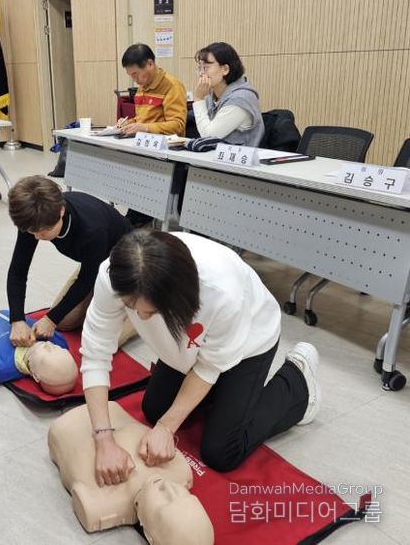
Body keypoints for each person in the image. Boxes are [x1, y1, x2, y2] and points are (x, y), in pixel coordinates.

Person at [80, 229, 321, 482]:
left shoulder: (222, 293)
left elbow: (208, 366)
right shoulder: (115, 276)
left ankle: (298, 380)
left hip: (250, 341)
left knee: (221, 451)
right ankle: (223, 394)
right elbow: (95, 351)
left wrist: (166, 427)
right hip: (187, 348)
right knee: (154, 410)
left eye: (151, 312)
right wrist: (103, 439)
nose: (140, 318)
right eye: (131, 307)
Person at [48, 401, 214, 544]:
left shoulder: (100, 504)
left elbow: (82, 497)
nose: (169, 487)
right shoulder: (179, 470)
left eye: (166, 500)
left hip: (66, 426)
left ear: (149, 536)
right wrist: (165, 428)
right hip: (108, 408)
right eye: (184, 495)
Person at [7, 175, 132, 347]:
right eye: (31, 231)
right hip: (94, 260)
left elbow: (86, 279)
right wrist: (17, 319)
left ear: (61, 211)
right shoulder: (33, 219)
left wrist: (51, 320)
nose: (36, 237)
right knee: (65, 321)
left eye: (43, 232)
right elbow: (18, 271)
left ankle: (143, 311)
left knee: (107, 341)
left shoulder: (92, 229)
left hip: (126, 260)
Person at [119, 43, 187, 227]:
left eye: (136, 74)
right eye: (131, 75)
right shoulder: (142, 86)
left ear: (150, 64)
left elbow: (178, 125)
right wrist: (129, 123)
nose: (135, 80)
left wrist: (145, 128)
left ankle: (141, 215)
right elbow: (143, 119)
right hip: (144, 148)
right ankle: (137, 212)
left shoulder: (172, 86)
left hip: (165, 153)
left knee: (139, 173)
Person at [192, 42, 265, 146]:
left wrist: (198, 99)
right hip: (213, 154)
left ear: (225, 69)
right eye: (200, 68)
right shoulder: (211, 95)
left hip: (237, 155)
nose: (201, 73)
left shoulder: (240, 98)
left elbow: (208, 136)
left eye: (206, 67)